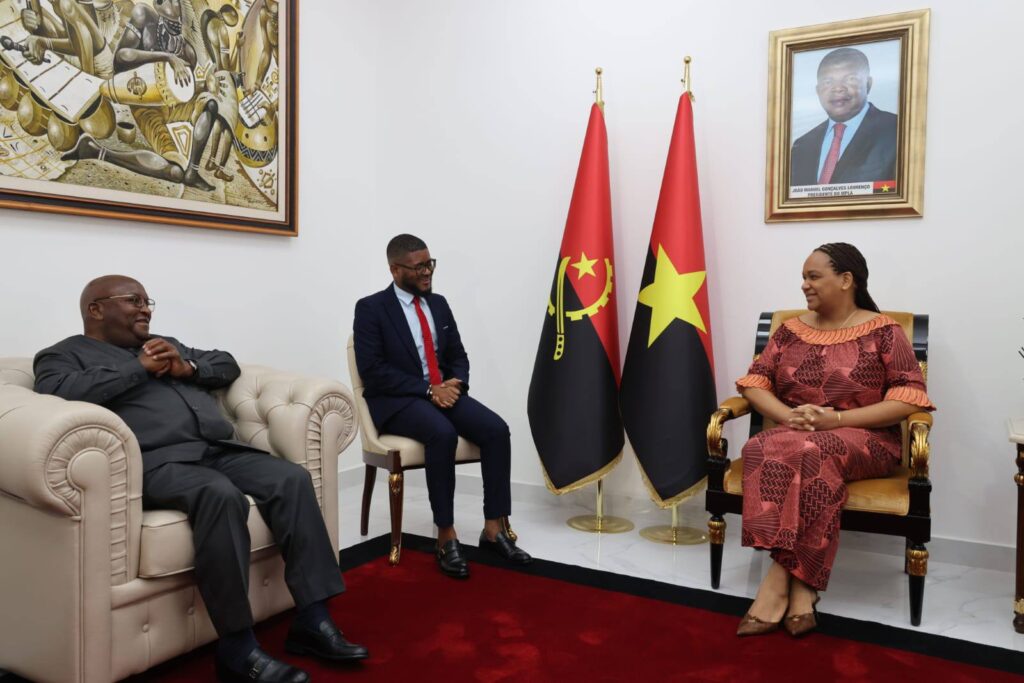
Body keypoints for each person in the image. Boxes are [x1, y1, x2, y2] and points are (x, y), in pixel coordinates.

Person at [34, 275, 368, 683]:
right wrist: (138, 369)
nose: (145, 309)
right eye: (134, 300)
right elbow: (57, 391)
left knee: (290, 479)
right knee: (219, 495)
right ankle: (237, 648)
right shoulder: (62, 355)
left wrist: (187, 367)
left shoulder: (162, 343)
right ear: (96, 309)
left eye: (147, 301)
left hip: (217, 449)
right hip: (159, 463)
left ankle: (313, 620)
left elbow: (226, 364)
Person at [733, 243, 934, 637]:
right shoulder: (790, 331)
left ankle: (776, 582)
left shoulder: (885, 331)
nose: (804, 284)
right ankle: (803, 586)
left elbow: (909, 397)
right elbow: (755, 381)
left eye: (814, 276)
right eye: (803, 277)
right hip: (797, 431)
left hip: (866, 438)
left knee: (812, 450)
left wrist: (837, 419)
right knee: (760, 445)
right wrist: (787, 415)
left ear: (846, 280)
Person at [353, 234, 532, 579]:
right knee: (442, 433)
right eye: (418, 267)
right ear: (394, 269)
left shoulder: (438, 304)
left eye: (429, 264)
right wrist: (427, 389)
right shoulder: (371, 309)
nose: (427, 272)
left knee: (496, 430)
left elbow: (458, 355)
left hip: (441, 392)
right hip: (398, 400)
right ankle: (445, 534)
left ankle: (494, 528)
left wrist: (455, 384)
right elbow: (373, 371)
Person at [790, 47, 898, 187]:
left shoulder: (896, 131)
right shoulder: (802, 146)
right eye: (828, 82)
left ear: (868, 84)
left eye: (850, 79)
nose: (838, 88)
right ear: (818, 91)